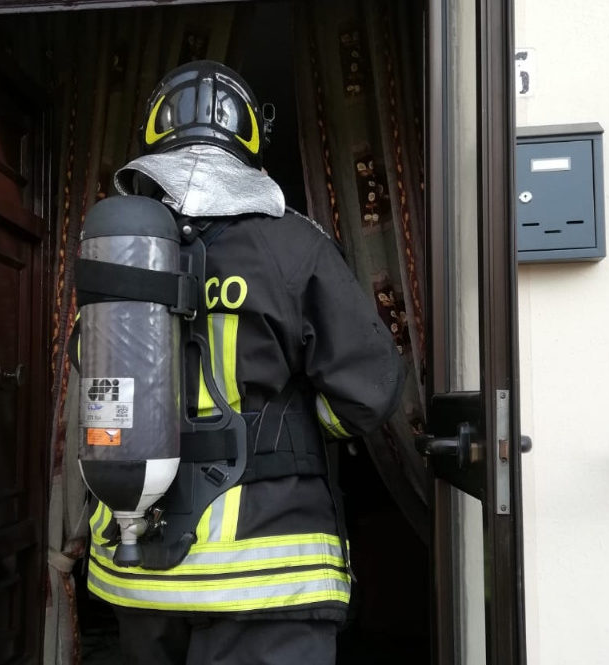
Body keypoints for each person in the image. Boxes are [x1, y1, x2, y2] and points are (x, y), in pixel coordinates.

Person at [84, 60, 405, 665]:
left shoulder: (118, 248)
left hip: (138, 561)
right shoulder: (293, 243)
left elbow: (95, 364)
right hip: (268, 566)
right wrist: (296, 424)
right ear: (252, 137)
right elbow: (369, 390)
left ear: (154, 135)